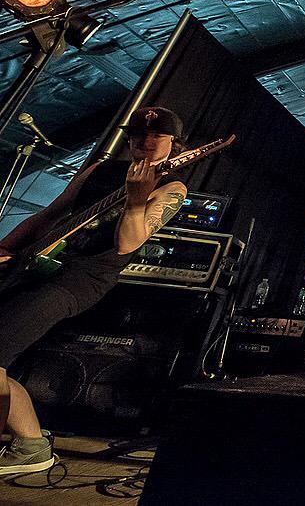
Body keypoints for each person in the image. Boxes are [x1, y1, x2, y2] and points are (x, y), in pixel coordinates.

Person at [0, 107, 188, 475]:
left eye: (156, 136)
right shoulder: (100, 170)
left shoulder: (172, 187)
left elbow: (127, 243)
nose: (145, 142)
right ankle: (32, 446)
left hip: (78, 280)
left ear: (175, 143)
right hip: (34, 264)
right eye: (138, 134)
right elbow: (49, 213)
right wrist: (7, 246)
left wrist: (136, 201)